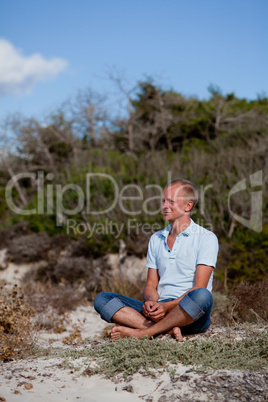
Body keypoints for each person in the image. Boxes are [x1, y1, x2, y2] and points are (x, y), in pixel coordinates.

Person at [94, 179, 219, 341]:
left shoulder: (206, 238)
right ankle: (166, 330)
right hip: (159, 310)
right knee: (102, 299)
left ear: (188, 206)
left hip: (190, 312)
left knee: (203, 295)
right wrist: (151, 303)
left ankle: (143, 332)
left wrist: (167, 306)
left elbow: (199, 287)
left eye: (171, 201)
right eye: (163, 201)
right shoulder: (156, 238)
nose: (164, 206)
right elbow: (151, 284)